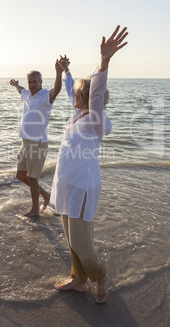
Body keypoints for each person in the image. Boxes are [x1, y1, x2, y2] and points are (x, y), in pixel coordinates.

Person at [50, 25, 128, 303]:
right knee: (71, 241)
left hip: (83, 187)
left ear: (86, 98)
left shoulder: (95, 120)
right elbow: (77, 89)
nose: (73, 95)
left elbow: (94, 94)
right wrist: (67, 72)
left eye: (77, 93)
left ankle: (100, 275)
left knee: (83, 243)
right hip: (67, 185)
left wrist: (105, 61)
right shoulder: (77, 115)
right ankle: (78, 280)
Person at [10, 60, 63, 217]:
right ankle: (45, 195)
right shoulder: (27, 94)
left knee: (33, 178)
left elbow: (57, 90)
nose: (32, 85)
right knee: (20, 175)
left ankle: (35, 210)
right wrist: (16, 85)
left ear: (41, 82)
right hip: (25, 141)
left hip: (37, 143)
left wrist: (58, 73)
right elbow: (21, 90)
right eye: (30, 82)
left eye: (35, 81)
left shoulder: (45, 95)